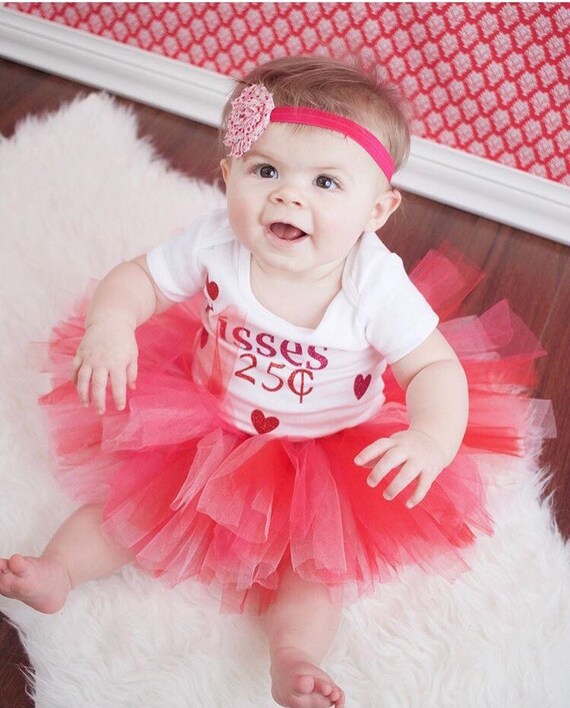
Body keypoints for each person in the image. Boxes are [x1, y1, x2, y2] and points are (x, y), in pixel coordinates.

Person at [0, 56, 552, 708]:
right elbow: (137, 280)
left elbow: (433, 367)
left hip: (324, 449)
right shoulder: (213, 242)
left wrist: (430, 438)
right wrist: (112, 325)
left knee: (314, 568)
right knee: (137, 510)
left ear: (378, 209)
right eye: (266, 172)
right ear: (228, 175)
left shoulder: (373, 284)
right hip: (206, 418)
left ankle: (294, 656)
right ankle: (60, 569)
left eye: (325, 181)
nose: (290, 195)